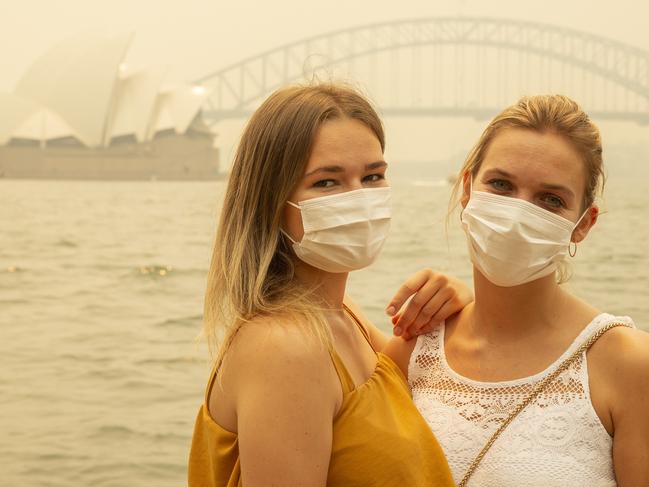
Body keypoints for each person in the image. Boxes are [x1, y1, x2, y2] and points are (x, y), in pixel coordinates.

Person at [188, 83, 470, 486]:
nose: (358, 197)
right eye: (327, 182)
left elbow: (425, 381)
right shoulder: (285, 347)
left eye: (373, 176)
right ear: (271, 203)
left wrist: (457, 302)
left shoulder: (340, 313)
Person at [386, 94, 649, 487]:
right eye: (501, 184)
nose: (517, 214)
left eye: (551, 199)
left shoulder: (628, 365)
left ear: (584, 224)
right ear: (467, 188)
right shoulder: (410, 350)